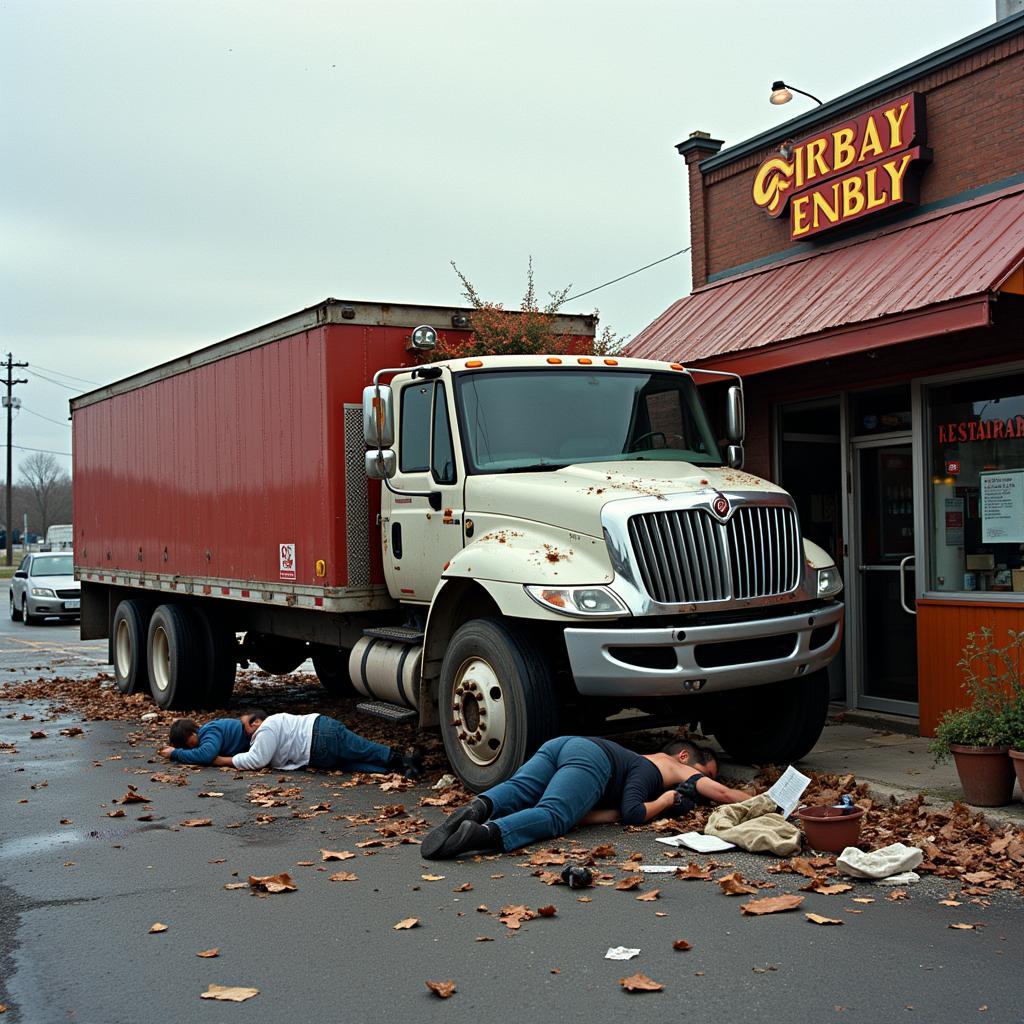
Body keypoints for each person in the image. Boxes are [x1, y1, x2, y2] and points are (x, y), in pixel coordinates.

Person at [421, 736, 749, 859]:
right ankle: (482, 834)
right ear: (683, 757)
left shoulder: (639, 764)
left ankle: (474, 810)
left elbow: (591, 813)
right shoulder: (667, 769)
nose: (703, 780)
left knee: (523, 791)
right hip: (593, 759)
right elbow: (634, 812)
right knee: (551, 815)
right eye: (704, 771)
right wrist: (755, 798)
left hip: (562, 744)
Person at [211, 708, 422, 779]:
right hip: (318, 739)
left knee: (358, 754)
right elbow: (259, 758)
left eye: (245, 725)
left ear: (256, 721)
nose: (245, 732)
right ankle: (399, 765)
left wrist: (223, 761)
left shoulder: (267, 727)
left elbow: (257, 760)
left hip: (318, 740)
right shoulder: (269, 730)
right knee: (358, 754)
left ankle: (400, 764)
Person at [159, 717, 250, 765]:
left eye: (191, 743)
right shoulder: (204, 734)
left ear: (193, 733)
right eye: (187, 747)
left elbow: (207, 754)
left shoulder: (209, 731)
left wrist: (175, 753)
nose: (192, 747)